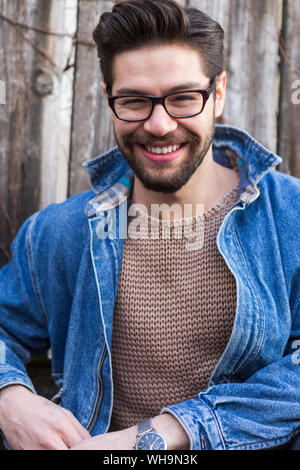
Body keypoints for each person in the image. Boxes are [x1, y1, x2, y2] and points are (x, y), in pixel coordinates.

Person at [0, 0, 299, 451]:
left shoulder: (291, 216)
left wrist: (165, 433)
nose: (159, 125)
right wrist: (11, 398)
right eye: (135, 101)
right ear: (108, 99)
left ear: (218, 93)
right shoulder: (58, 233)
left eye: (182, 97)